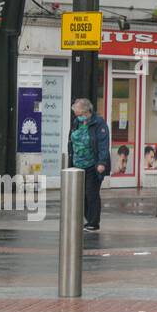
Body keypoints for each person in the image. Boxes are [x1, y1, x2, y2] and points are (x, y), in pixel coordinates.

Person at [68, 99, 111, 232]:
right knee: (80, 194)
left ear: (87, 111)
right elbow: (72, 140)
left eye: (78, 113)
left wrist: (102, 163)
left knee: (91, 193)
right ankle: (87, 218)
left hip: (93, 164)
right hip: (77, 164)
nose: (76, 115)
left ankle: (93, 222)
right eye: (75, 113)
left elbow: (103, 145)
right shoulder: (77, 122)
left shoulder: (99, 123)